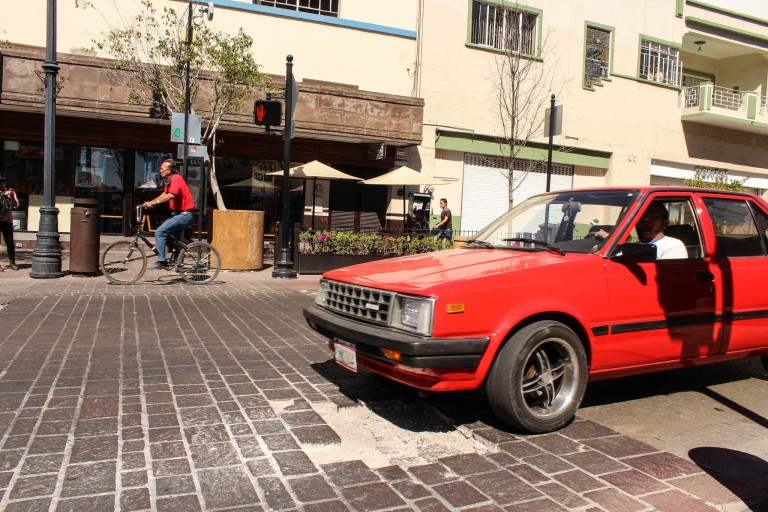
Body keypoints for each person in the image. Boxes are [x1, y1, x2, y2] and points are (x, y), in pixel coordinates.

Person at [142, 159, 196, 269]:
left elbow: (171, 195)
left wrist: (155, 202)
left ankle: (161, 261)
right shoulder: (170, 180)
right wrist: (151, 202)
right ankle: (177, 252)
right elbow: (165, 194)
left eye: (162, 169)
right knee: (163, 232)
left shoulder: (176, 178)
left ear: (170, 170)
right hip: (177, 213)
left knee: (160, 232)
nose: (160, 171)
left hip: (184, 214)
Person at [0, 176, 20, 271]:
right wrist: (3, 195)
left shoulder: (10, 191)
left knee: (10, 242)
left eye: (5, 182)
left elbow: (16, 205)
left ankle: (12, 262)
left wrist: (11, 196)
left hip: (7, 220)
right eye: (1, 183)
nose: (4, 184)